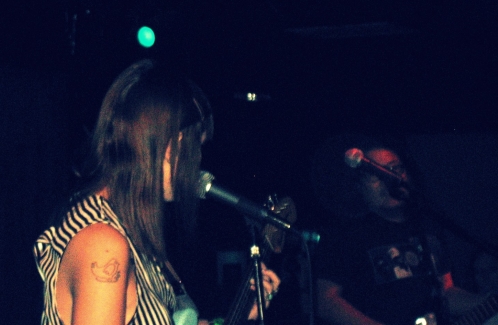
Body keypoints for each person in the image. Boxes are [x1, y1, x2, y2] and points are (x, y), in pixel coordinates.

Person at [33, 59, 280, 325]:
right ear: (173, 145)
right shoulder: (103, 244)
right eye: (197, 147)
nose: (198, 160)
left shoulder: (128, 231)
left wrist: (238, 315)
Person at [313, 137, 487, 325]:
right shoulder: (344, 235)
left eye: (394, 169)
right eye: (375, 173)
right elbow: (325, 301)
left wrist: (488, 302)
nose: (388, 178)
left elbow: (446, 292)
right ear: (360, 187)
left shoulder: (427, 228)